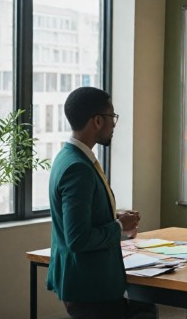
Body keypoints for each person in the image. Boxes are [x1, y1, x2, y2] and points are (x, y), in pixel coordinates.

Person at [48, 87, 155, 318]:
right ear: (97, 121)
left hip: (88, 282)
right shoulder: (78, 168)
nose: (114, 124)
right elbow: (78, 238)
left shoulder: (68, 157)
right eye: (112, 117)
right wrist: (119, 227)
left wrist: (114, 218)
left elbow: (81, 219)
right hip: (90, 285)